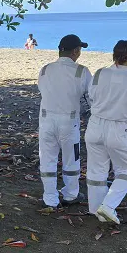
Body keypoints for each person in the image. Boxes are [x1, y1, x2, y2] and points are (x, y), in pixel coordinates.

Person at [86, 40, 127, 224]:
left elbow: (92, 97)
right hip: (120, 128)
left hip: (95, 125)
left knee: (96, 169)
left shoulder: (99, 73)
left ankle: (96, 208)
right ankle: (108, 205)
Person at [37, 35, 92, 208]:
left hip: (46, 120)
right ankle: (70, 194)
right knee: (71, 159)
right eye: (79, 50)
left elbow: (42, 89)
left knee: (47, 159)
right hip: (69, 121)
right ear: (75, 51)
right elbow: (91, 97)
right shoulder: (81, 71)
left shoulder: (45, 69)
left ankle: (50, 198)